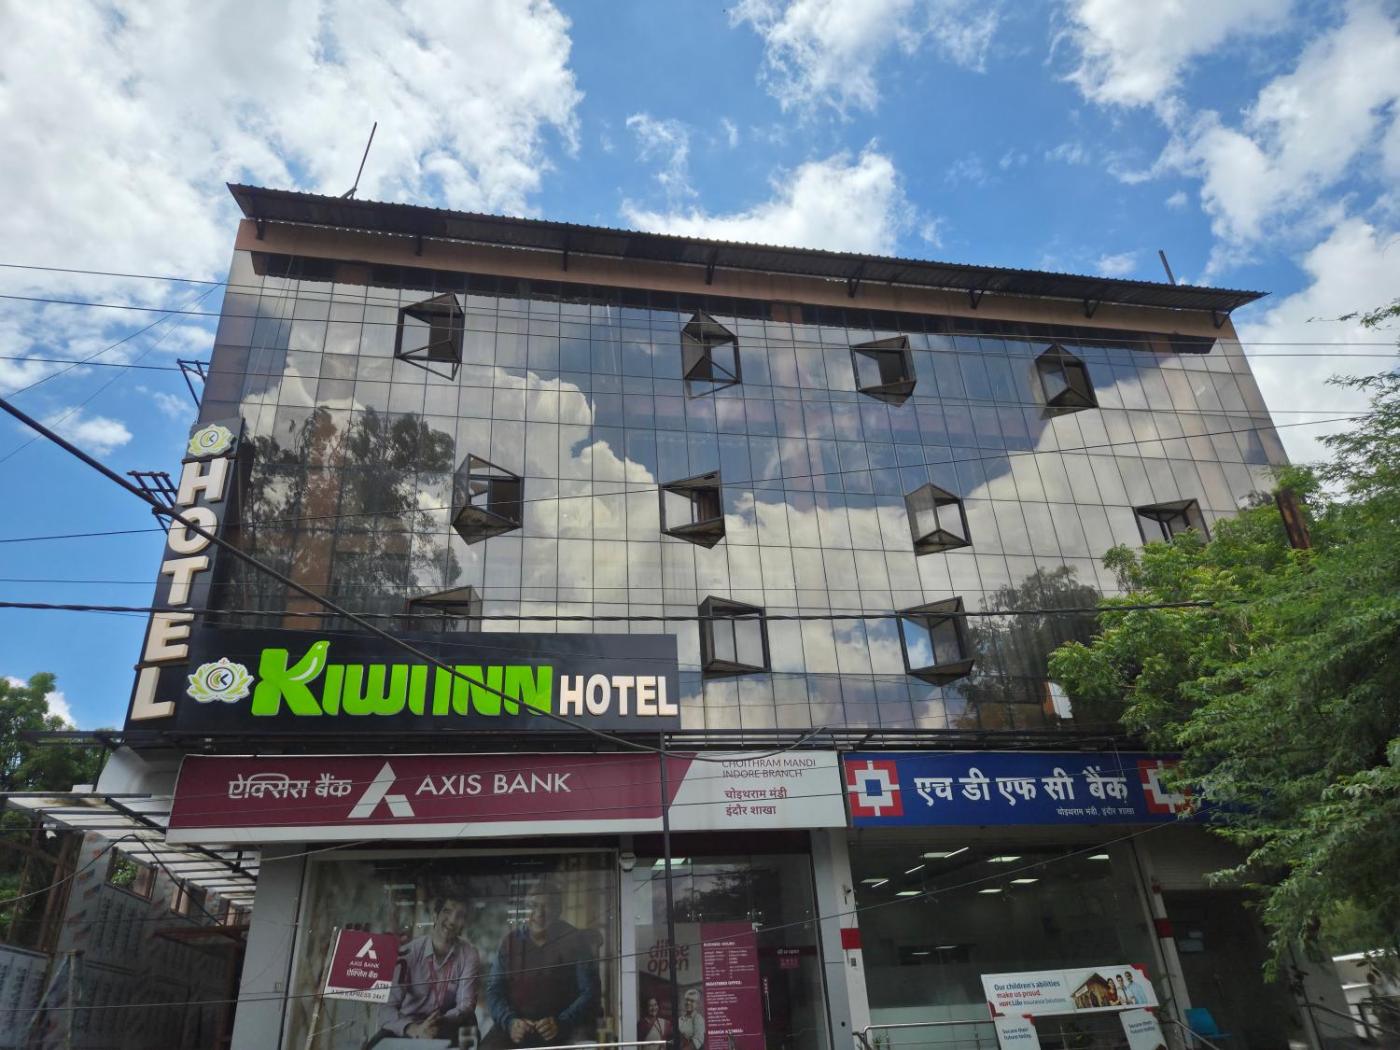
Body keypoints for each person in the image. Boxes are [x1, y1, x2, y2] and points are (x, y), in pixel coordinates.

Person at [481, 878, 599, 1048]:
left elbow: (590, 992)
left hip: (564, 1026)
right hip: (517, 1027)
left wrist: (562, 1022)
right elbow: (494, 990)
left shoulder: (575, 940)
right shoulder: (510, 942)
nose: (539, 913)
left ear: (558, 910)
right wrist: (510, 1022)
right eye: (532, 906)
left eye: (547, 906)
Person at [377, 888, 482, 1041]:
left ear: (463, 924)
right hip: (409, 1025)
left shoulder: (469, 954)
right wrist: (414, 1029)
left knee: (472, 1030)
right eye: (447, 911)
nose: (452, 921)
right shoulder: (409, 952)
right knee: (372, 1045)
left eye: (459, 916)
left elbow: (466, 1004)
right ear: (435, 916)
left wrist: (439, 1022)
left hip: (447, 1024)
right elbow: (386, 1007)